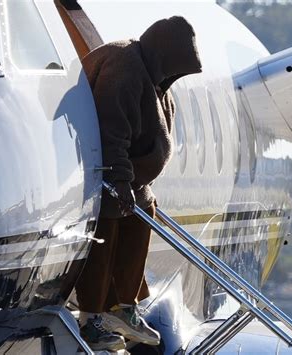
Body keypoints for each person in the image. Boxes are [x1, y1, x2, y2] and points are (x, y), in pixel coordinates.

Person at [75, 16, 202, 352]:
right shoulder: (124, 67)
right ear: (162, 55)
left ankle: (123, 307)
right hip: (105, 179)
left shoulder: (151, 77)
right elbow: (110, 128)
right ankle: (92, 316)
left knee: (142, 214)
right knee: (106, 235)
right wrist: (118, 180)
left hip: (130, 178)